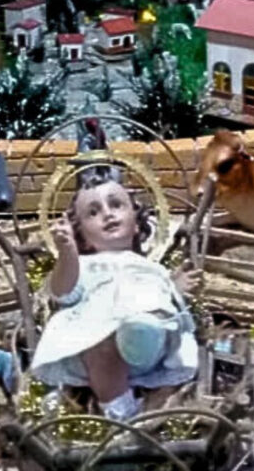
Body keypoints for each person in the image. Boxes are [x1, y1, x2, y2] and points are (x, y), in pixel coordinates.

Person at [31, 178, 198, 421]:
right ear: (83, 237)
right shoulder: (84, 265)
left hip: (151, 341)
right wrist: (68, 254)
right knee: (101, 345)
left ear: (137, 224)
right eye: (93, 212)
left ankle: (139, 333)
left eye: (116, 205)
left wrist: (175, 288)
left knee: (150, 315)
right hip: (100, 339)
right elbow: (63, 292)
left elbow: (166, 295)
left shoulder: (151, 267)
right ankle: (121, 412)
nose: (107, 214)